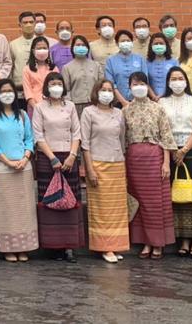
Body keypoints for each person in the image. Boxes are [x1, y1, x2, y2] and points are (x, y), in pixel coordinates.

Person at [122, 71, 176, 259]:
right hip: (134, 160)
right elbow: (123, 139)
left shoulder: (158, 108)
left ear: (147, 86)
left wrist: (166, 163)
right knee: (140, 202)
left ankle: (158, 242)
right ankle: (145, 241)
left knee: (155, 202)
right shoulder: (125, 110)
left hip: (155, 157)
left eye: (142, 83)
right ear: (129, 88)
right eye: (134, 84)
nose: (138, 87)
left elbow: (166, 136)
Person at [32, 71, 85, 261]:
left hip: (69, 157)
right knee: (50, 201)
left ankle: (69, 246)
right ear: (47, 87)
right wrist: (52, 158)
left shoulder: (70, 106)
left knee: (71, 201)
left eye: (59, 83)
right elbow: (38, 135)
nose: (56, 87)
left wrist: (72, 155)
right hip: (48, 159)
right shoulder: (40, 107)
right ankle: (53, 245)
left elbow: (76, 133)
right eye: (52, 83)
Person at [0, 79, 38, 263]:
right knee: (6, 210)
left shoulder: (22, 115)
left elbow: (30, 139)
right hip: (2, 169)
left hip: (24, 168)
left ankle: (24, 247)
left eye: (10, 90)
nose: (7, 93)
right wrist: (8, 162)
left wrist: (25, 158)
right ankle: (8, 249)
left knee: (24, 209)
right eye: (3, 91)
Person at [81, 79, 129, 262]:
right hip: (98, 164)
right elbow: (85, 144)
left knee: (117, 210)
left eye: (110, 90)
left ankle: (116, 245)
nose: (107, 93)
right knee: (102, 210)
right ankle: (104, 247)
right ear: (96, 92)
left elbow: (122, 139)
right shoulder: (88, 112)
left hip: (117, 163)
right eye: (103, 90)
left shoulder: (118, 113)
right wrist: (89, 169)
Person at [160, 66, 192, 257]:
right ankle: (182, 239)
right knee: (177, 194)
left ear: (186, 81)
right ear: (168, 82)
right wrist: (173, 150)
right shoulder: (161, 102)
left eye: (180, 78)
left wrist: (184, 149)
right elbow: (162, 130)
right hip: (170, 151)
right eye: (173, 78)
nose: (177, 82)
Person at [61, 35, 102, 114]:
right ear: (73, 48)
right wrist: (70, 106)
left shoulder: (96, 65)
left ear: (87, 48)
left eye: (83, 45)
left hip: (95, 103)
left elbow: (101, 85)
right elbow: (66, 90)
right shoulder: (67, 68)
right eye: (78, 45)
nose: (81, 47)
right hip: (76, 105)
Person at [105, 29, 146, 104]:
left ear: (132, 42)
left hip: (139, 100)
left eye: (128, 40)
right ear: (117, 43)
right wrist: (123, 102)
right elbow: (111, 83)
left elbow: (145, 81)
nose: (125, 43)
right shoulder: (110, 60)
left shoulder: (140, 58)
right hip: (118, 102)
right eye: (122, 41)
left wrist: (136, 100)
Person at [22, 36, 55, 108]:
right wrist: (36, 108)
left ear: (48, 50)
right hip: (34, 107)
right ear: (33, 51)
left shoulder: (54, 68)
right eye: (39, 48)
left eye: (44, 48)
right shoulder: (27, 69)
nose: (42, 50)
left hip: (52, 106)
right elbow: (28, 92)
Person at [10, 11, 39, 85]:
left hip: (37, 85)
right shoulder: (13, 44)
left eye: (31, 22)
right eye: (25, 22)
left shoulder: (42, 43)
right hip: (19, 85)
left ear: (35, 24)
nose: (28, 25)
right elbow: (10, 66)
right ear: (20, 25)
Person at [145, 32, 174, 96]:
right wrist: (153, 96)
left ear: (166, 45)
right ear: (151, 46)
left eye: (161, 43)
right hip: (152, 98)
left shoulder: (174, 62)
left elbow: (174, 80)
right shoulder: (146, 63)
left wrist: (163, 95)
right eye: (156, 44)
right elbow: (145, 82)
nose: (158, 45)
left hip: (169, 96)